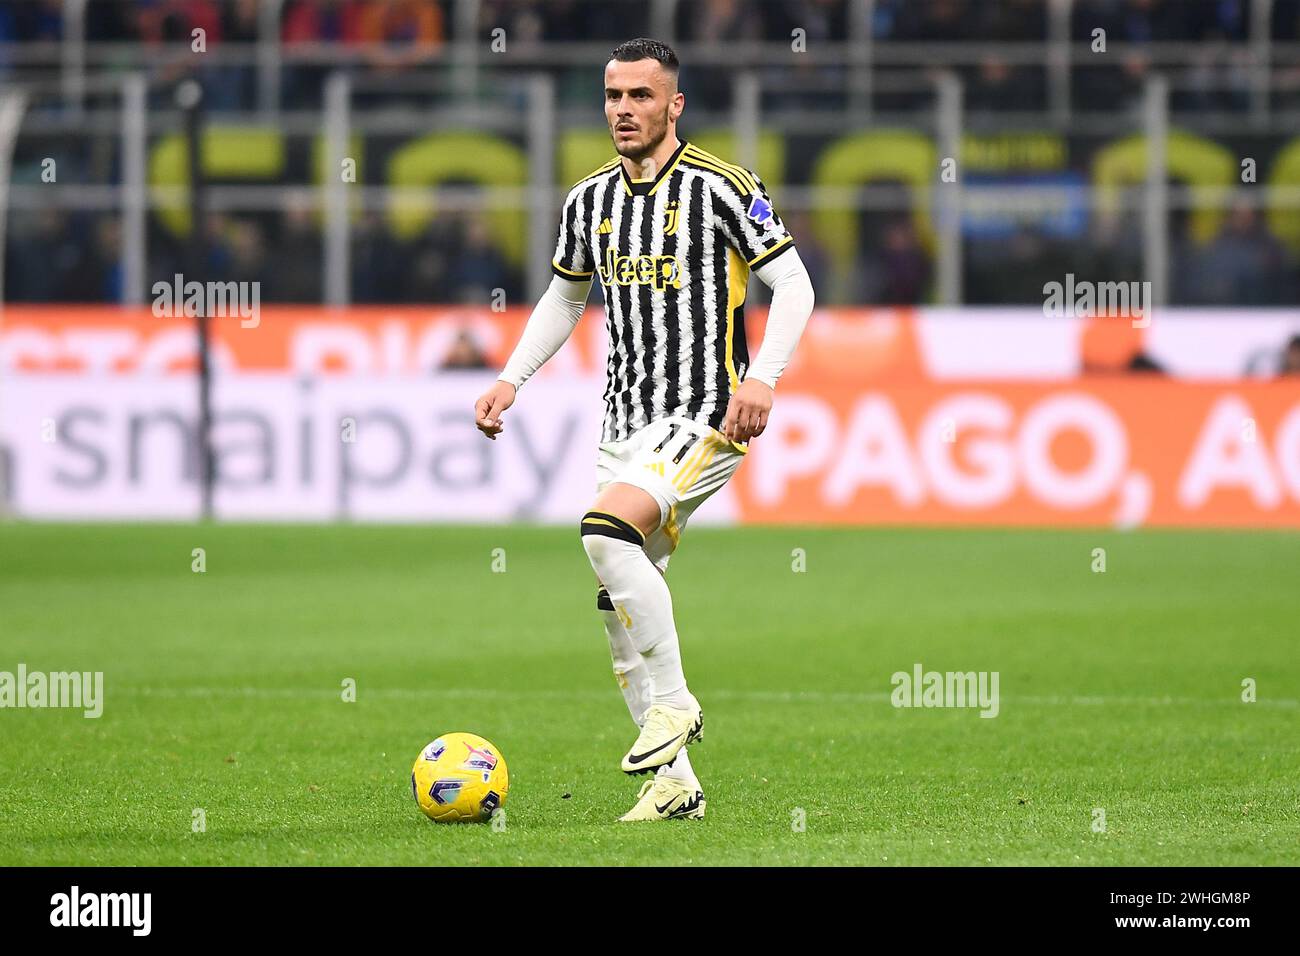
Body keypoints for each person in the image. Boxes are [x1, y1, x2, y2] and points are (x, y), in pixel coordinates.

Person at [473, 38, 815, 822]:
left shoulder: (723, 186)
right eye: (612, 96)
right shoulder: (587, 199)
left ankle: (678, 703)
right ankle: (677, 787)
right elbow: (564, 300)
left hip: (706, 410)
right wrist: (509, 377)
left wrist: (764, 376)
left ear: (674, 105)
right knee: (617, 604)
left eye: (639, 96)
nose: (623, 110)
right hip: (623, 422)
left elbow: (793, 285)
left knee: (603, 533)